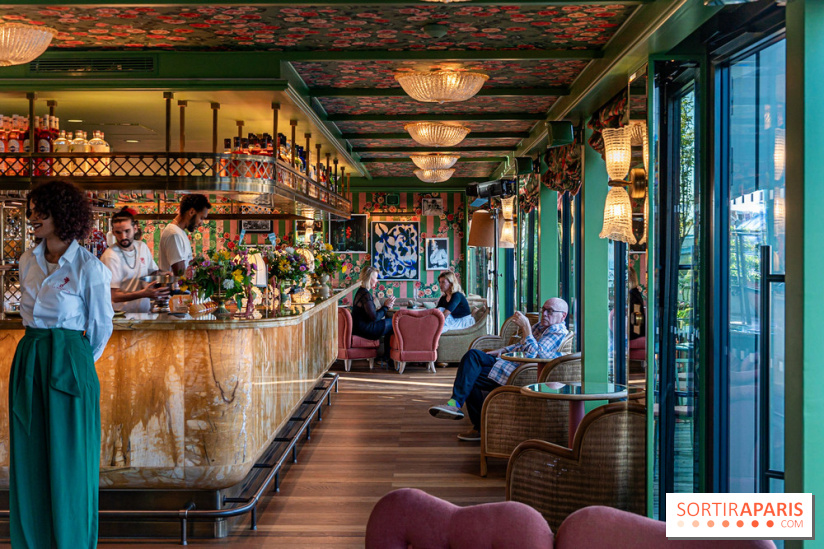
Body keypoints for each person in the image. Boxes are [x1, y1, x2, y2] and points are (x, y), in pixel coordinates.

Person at [10, 180, 114, 548]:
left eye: (42, 211)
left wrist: (75, 362)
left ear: (63, 215)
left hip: (70, 358)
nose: (33, 217)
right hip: (30, 357)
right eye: (32, 210)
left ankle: (71, 541)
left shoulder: (88, 267)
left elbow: (101, 328)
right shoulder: (26, 260)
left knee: (70, 459)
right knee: (30, 454)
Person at [429, 298, 569, 442]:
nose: (545, 313)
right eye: (543, 309)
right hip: (507, 362)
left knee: (472, 378)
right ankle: (458, 407)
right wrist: (501, 350)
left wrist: (526, 326)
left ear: (563, 315)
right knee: (473, 356)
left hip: (518, 372)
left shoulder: (556, 332)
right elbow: (521, 345)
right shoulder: (541, 327)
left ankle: (472, 422)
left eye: (550, 311)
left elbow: (536, 354)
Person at [100, 207, 168, 313]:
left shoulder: (142, 247)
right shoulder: (110, 256)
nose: (123, 237)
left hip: (144, 314)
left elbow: (152, 272)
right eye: (118, 232)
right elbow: (113, 296)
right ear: (113, 232)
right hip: (121, 318)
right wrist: (144, 293)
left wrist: (165, 275)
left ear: (135, 228)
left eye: (127, 231)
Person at [352, 266, 395, 366]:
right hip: (366, 329)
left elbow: (370, 314)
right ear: (370, 278)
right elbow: (374, 318)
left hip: (362, 328)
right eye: (376, 277)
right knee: (394, 322)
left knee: (392, 322)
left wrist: (385, 307)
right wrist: (386, 307)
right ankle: (388, 358)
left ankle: (387, 357)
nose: (377, 280)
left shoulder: (361, 293)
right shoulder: (365, 295)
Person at [159, 193, 211, 275]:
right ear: (191, 212)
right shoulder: (174, 234)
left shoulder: (179, 232)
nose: (201, 223)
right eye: (201, 218)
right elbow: (181, 275)